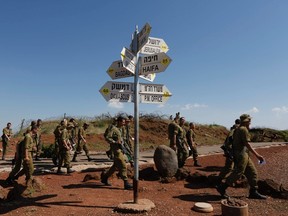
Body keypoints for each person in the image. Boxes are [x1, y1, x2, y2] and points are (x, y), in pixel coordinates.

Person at [216, 114, 267, 199]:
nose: (250, 122)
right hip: (241, 155)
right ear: (246, 121)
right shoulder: (243, 130)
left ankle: (253, 191)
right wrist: (257, 155)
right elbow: (247, 144)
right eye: (249, 120)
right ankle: (222, 187)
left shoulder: (239, 129)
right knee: (238, 172)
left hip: (244, 154)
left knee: (252, 172)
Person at [101, 116, 133, 190]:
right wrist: (115, 142)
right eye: (123, 121)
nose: (124, 123)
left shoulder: (121, 129)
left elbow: (123, 140)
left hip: (121, 149)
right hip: (116, 150)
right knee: (123, 165)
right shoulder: (113, 129)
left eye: (124, 122)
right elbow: (108, 137)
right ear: (118, 121)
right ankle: (126, 183)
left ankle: (105, 177)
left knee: (115, 167)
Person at [218, 119, 240, 183]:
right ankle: (219, 179)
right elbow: (229, 139)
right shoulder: (235, 129)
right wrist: (228, 149)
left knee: (236, 166)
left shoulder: (234, 129)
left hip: (233, 150)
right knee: (229, 167)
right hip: (231, 151)